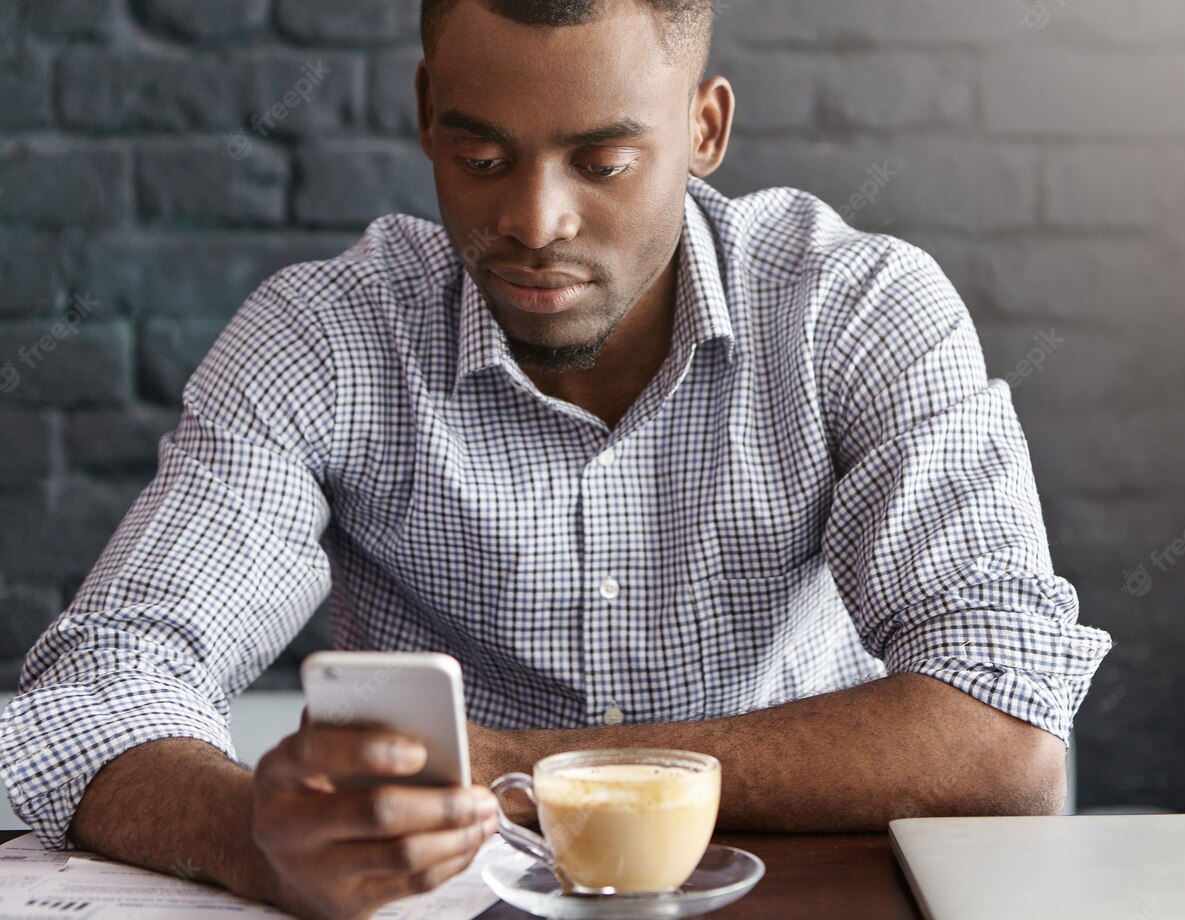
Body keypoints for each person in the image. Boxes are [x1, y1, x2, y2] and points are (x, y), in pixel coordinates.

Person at [0, 0, 1113, 916]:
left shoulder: (856, 311)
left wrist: (524, 767)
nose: (534, 220)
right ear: (426, 113)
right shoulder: (325, 342)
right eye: (482, 155)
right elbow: (92, 694)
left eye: (605, 160)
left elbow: (1005, 739)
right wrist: (250, 832)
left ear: (706, 128)